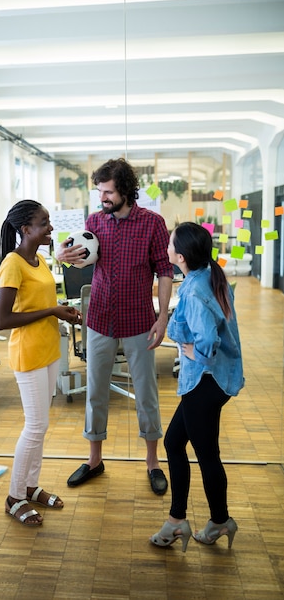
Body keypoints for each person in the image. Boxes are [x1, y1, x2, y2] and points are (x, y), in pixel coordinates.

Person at [57, 158, 173, 495]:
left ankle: (152, 462)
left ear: (125, 190)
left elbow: (164, 270)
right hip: (100, 319)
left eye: (107, 191)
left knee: (146, 394)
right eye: (99, 191)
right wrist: (63, 258)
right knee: (95, 391)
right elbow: (74, 255)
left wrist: (162, 315)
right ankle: (95, 460)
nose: (102, 197)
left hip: (138, 319)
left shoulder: (152, 223)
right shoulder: (94, 221)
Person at [150, 222, 244, 552]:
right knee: (175, 443)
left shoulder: (193, 290)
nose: (166, 247)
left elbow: (206, 338)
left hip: (205, 381)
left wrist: (195, 351)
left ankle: (211, 521)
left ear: (180, 255)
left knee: (206, 455)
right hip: (213, 381)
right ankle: (185, 520)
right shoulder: (207, 274)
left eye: (170, 244)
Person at [0, 199, 81, 526]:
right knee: (35, 426)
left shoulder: (40, 260)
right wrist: (51, 312)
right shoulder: (12, 263)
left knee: (41, 426)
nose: (51, 228)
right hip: (28, 353)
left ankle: (31, 487)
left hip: (48, 350)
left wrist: (63, 311)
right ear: (26, 229)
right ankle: (14, 496)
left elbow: (41, 301)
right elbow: (2, 319)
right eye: (44, 223)